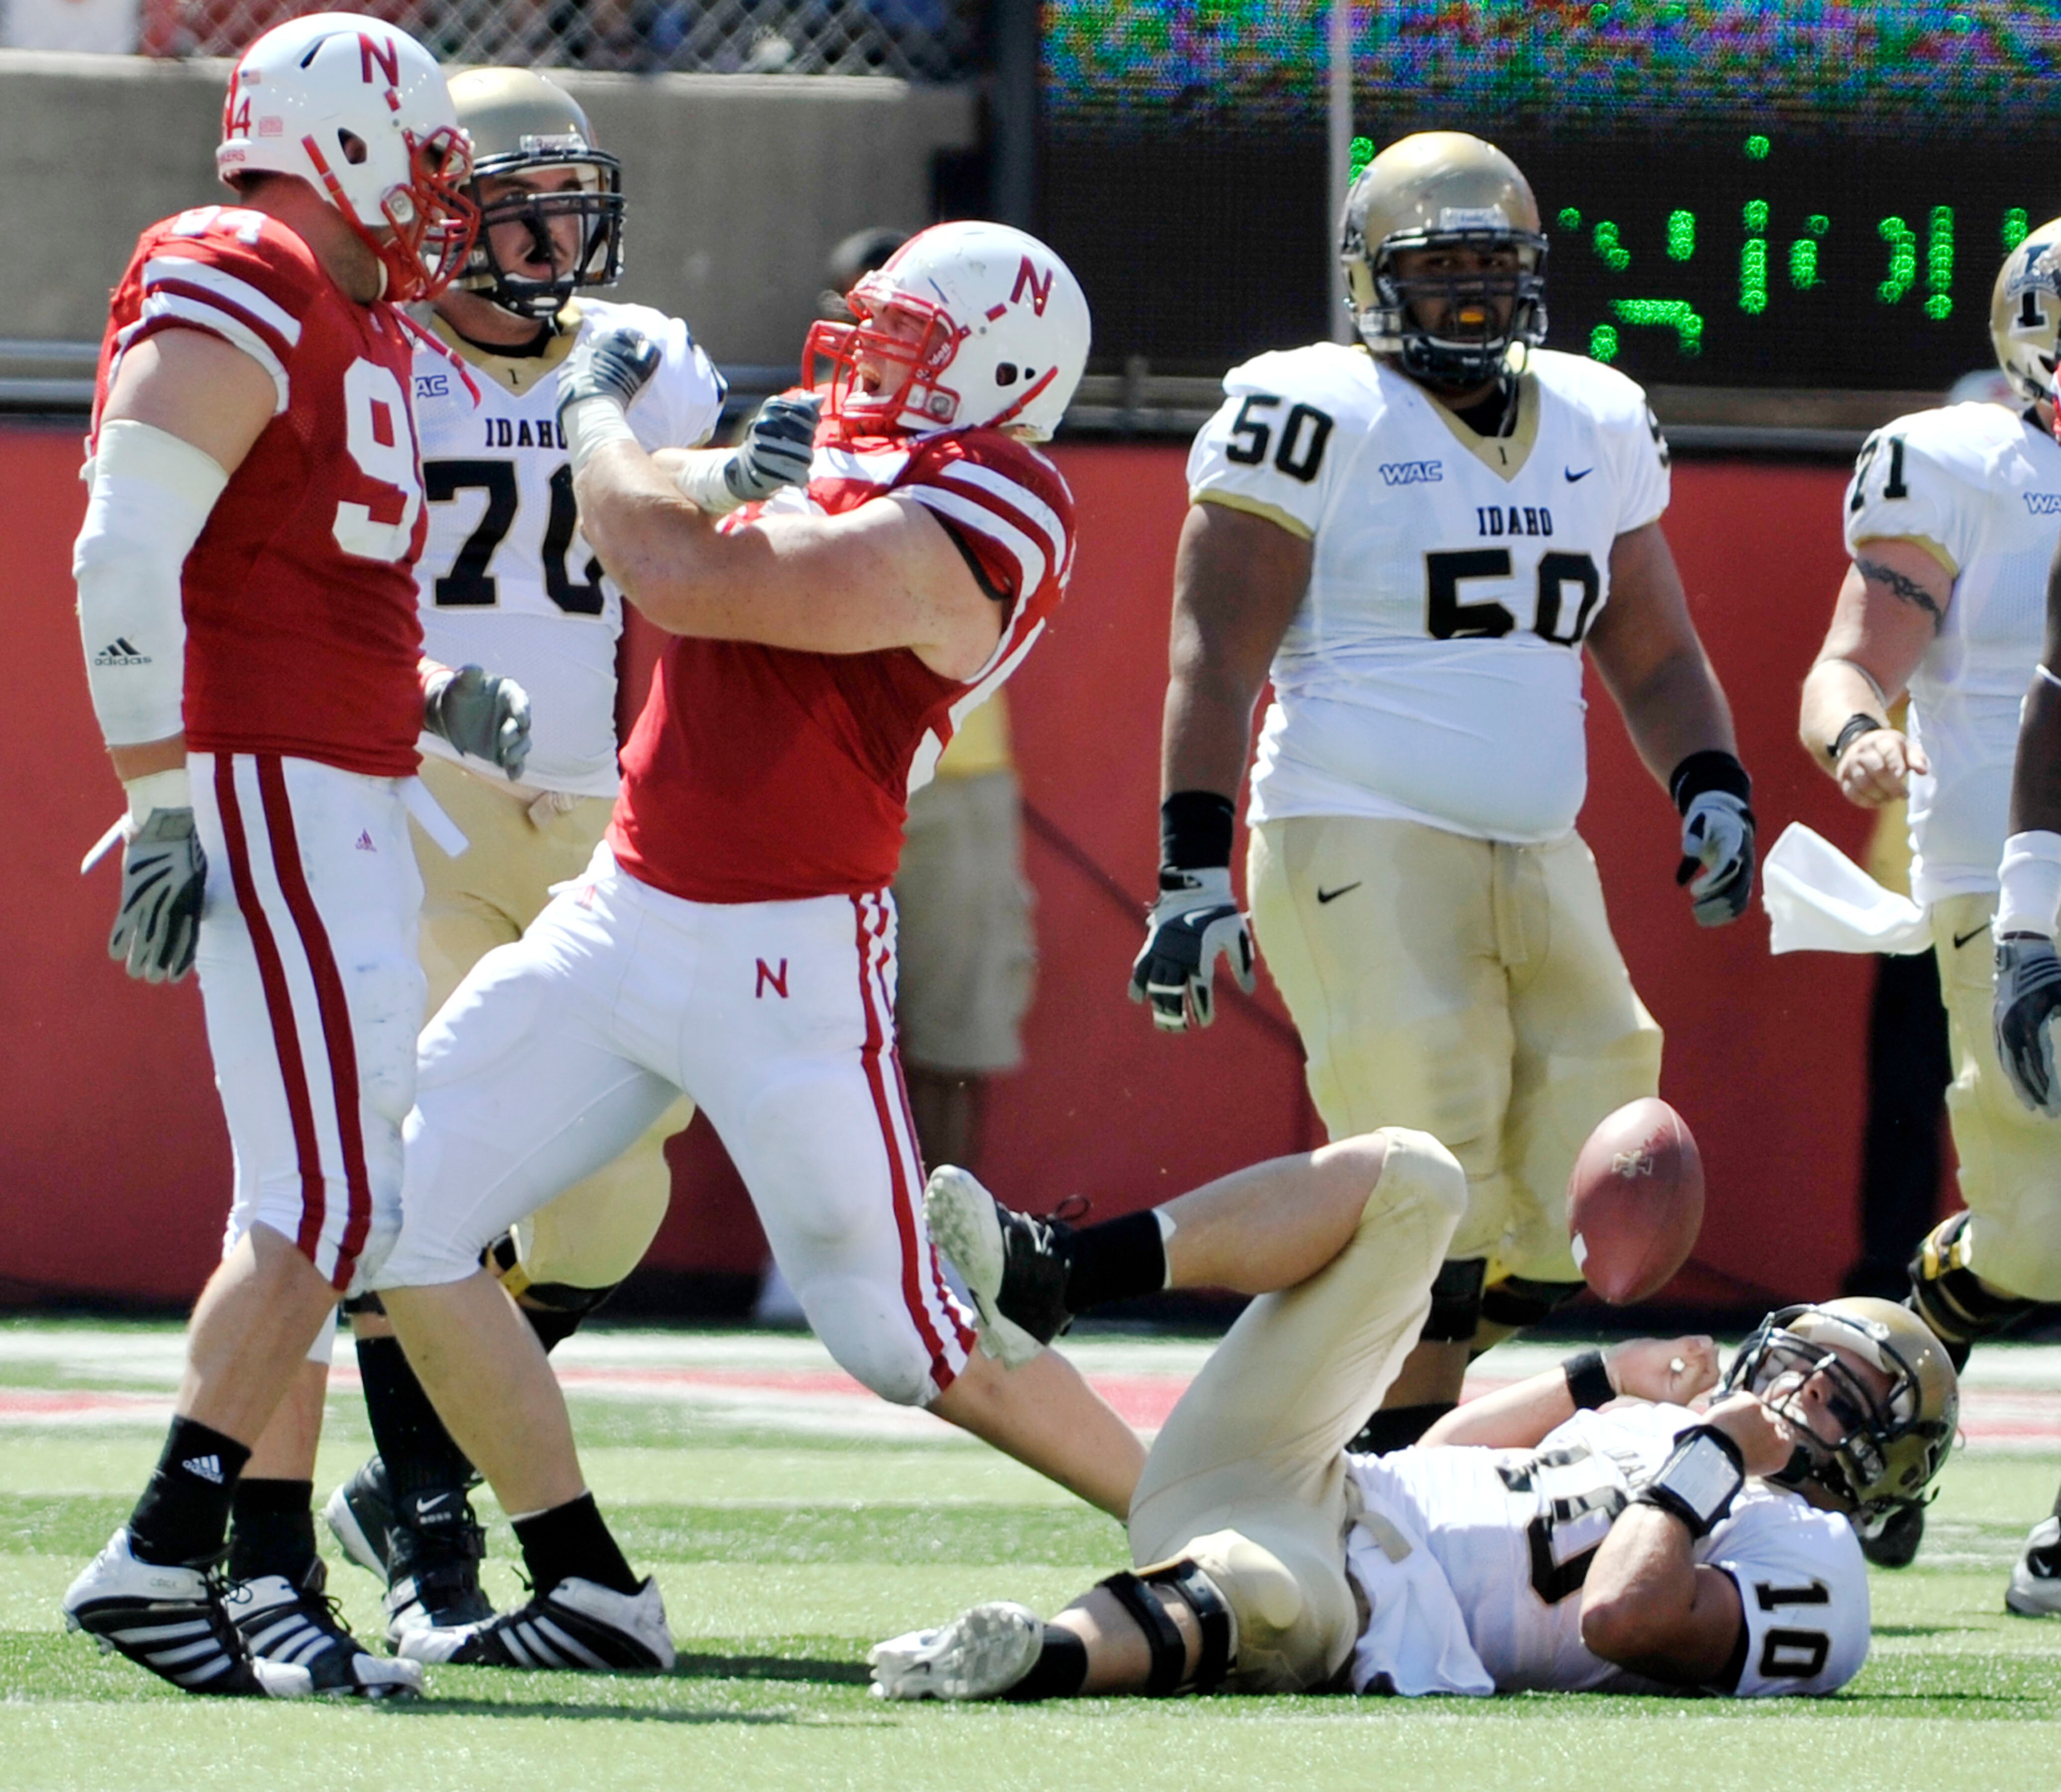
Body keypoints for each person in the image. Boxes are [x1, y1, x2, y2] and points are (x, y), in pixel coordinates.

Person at [359, 221, 1149, 1674]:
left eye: (905, 342)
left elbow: (679, 576)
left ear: (997, 375)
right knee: (390, 1208)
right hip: (625, 907)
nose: (862, 362)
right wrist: (708, 469)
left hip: (786, 952)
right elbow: (693, 511)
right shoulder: (882, 456)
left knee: (898, 1333)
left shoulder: (999, 498)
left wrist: (588, 409)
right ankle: (584, 1583)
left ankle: (1204, 1517)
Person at [1130, 131, 1755, 1451]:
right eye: (1439, 271)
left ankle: (1356, 1432)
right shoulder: (1309, 409)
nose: (1470, 299)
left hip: (1536, 843)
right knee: (1439, 1173)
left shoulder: (1589, 414)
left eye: (1492, 267)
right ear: (1369, 279)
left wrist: (1709, 785)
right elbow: (1213, 655)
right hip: (1355, 828)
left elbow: (1650, 647)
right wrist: (1188, 871)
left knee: (1598, 1145)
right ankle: (1381, 1471)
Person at [56, 15, 529, 1698]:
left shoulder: (343, 319)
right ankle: (163, 1560)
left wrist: (420, 695)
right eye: (422, 158)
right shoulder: (243, 259)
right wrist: (165, 792)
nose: (437, 198)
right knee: (331, 1199)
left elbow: (278, 572)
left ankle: (215, 1578)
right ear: (336, 139)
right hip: (269, 785)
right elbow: (121, 554)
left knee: (325, 1199)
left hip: (335, 780)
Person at [302, 66, 739, 1650]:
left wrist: (750, 489)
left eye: (567, 197)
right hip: (406, 800)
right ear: (434, 213)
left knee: (614, 1192)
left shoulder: (649, 364)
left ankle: (419, 1461)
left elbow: (690, 567)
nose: (552, 231)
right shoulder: (374, 362)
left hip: (586, 813)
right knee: (425, 1161)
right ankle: (429, 1537)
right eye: (512, 200)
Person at [874, 1142, 1957, 1702]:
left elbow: (1623, 1620)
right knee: (1416, 1178)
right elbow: (1436, 1456)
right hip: (1317, 1473)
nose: (1800, 1393)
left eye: (1842, 1396)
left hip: (1353, 1597)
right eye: (1803, 1365)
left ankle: (1031, 1659)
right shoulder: (1658, 1436)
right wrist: (1599, 1376)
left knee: (1255, 1594)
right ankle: (1064, 1270)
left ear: (1880, 1465)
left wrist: (1719, 1455)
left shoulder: (1818, 1565)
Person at [1796, 222, 2061, 1590]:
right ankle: (1868, 1393)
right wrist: (1853, 737)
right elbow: (1849, 659)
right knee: (2037, 1233)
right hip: (1994, 872)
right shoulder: (1957, 463)